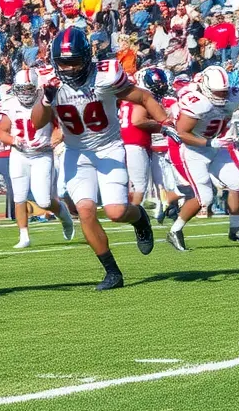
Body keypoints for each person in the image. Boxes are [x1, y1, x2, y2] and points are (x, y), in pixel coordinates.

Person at [29, 28, 169, 288]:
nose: (69, 69)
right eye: (63, 62)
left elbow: (143, 96)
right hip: (76, 152)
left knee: (116, 212)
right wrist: (46, 101)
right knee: (85, 210)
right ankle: (112, 272)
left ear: (87, 57)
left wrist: (165, 121)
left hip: (109, 148)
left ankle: (139, 217)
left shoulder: (105, 74)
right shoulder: (49, 80)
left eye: (74, 62)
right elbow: (37, 122)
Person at [164, 65, 239, 250]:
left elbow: (222, 120)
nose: (222, 96)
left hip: (214, 144)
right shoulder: (196, 101)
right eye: (218, 92)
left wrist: (227, 138)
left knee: (236, 182)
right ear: (206, 88)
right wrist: (208, 143)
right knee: (205, 198)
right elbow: (181, 133)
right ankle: (174, 231)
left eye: (224, 92)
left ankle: (235, 228)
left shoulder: (232, 96)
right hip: (194, 151)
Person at [0, 69, 73, 248]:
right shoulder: (10, 103)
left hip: (42, 154)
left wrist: (58, 134)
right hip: (19, 154)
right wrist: (13, 140)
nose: (24, 93)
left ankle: (64, 215)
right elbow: (1, 131)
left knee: (44, 200)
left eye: (28, 88)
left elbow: (60, 124)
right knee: (19, 196)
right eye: (21, 89)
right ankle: (24, 236)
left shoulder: (46, 100)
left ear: (36, 88)